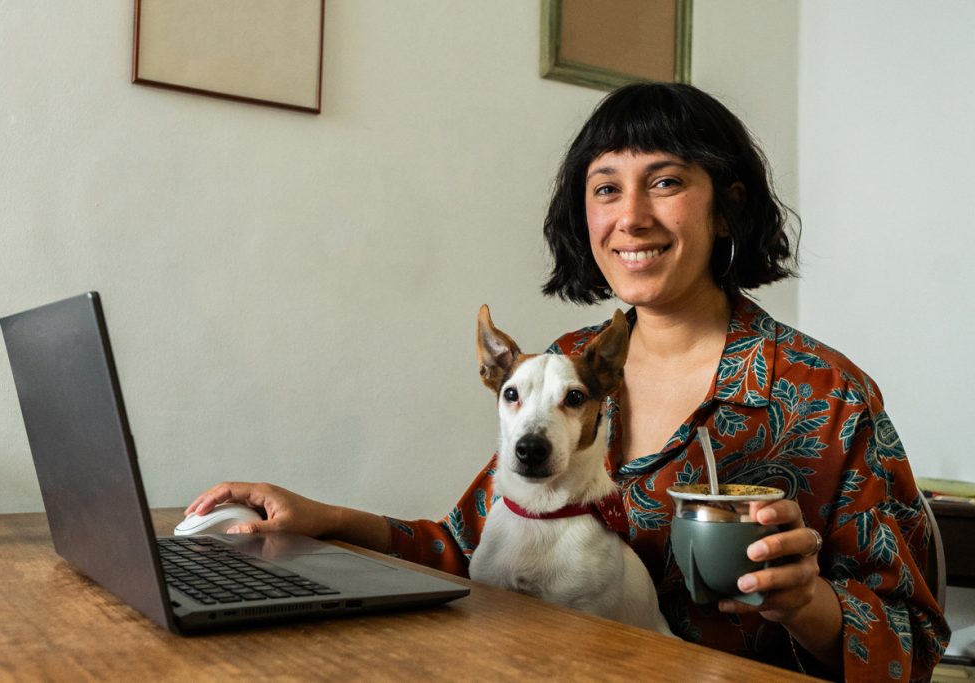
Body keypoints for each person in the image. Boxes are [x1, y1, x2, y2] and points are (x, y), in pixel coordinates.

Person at [187, 82, 949, 680]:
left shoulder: (824, 395)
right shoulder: (565, 367)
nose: (632, 216)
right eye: (606, 188)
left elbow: (911, 642)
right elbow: (466, 547)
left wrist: (808, 602)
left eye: (666, 181)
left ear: (728, 207)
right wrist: (321, 517)